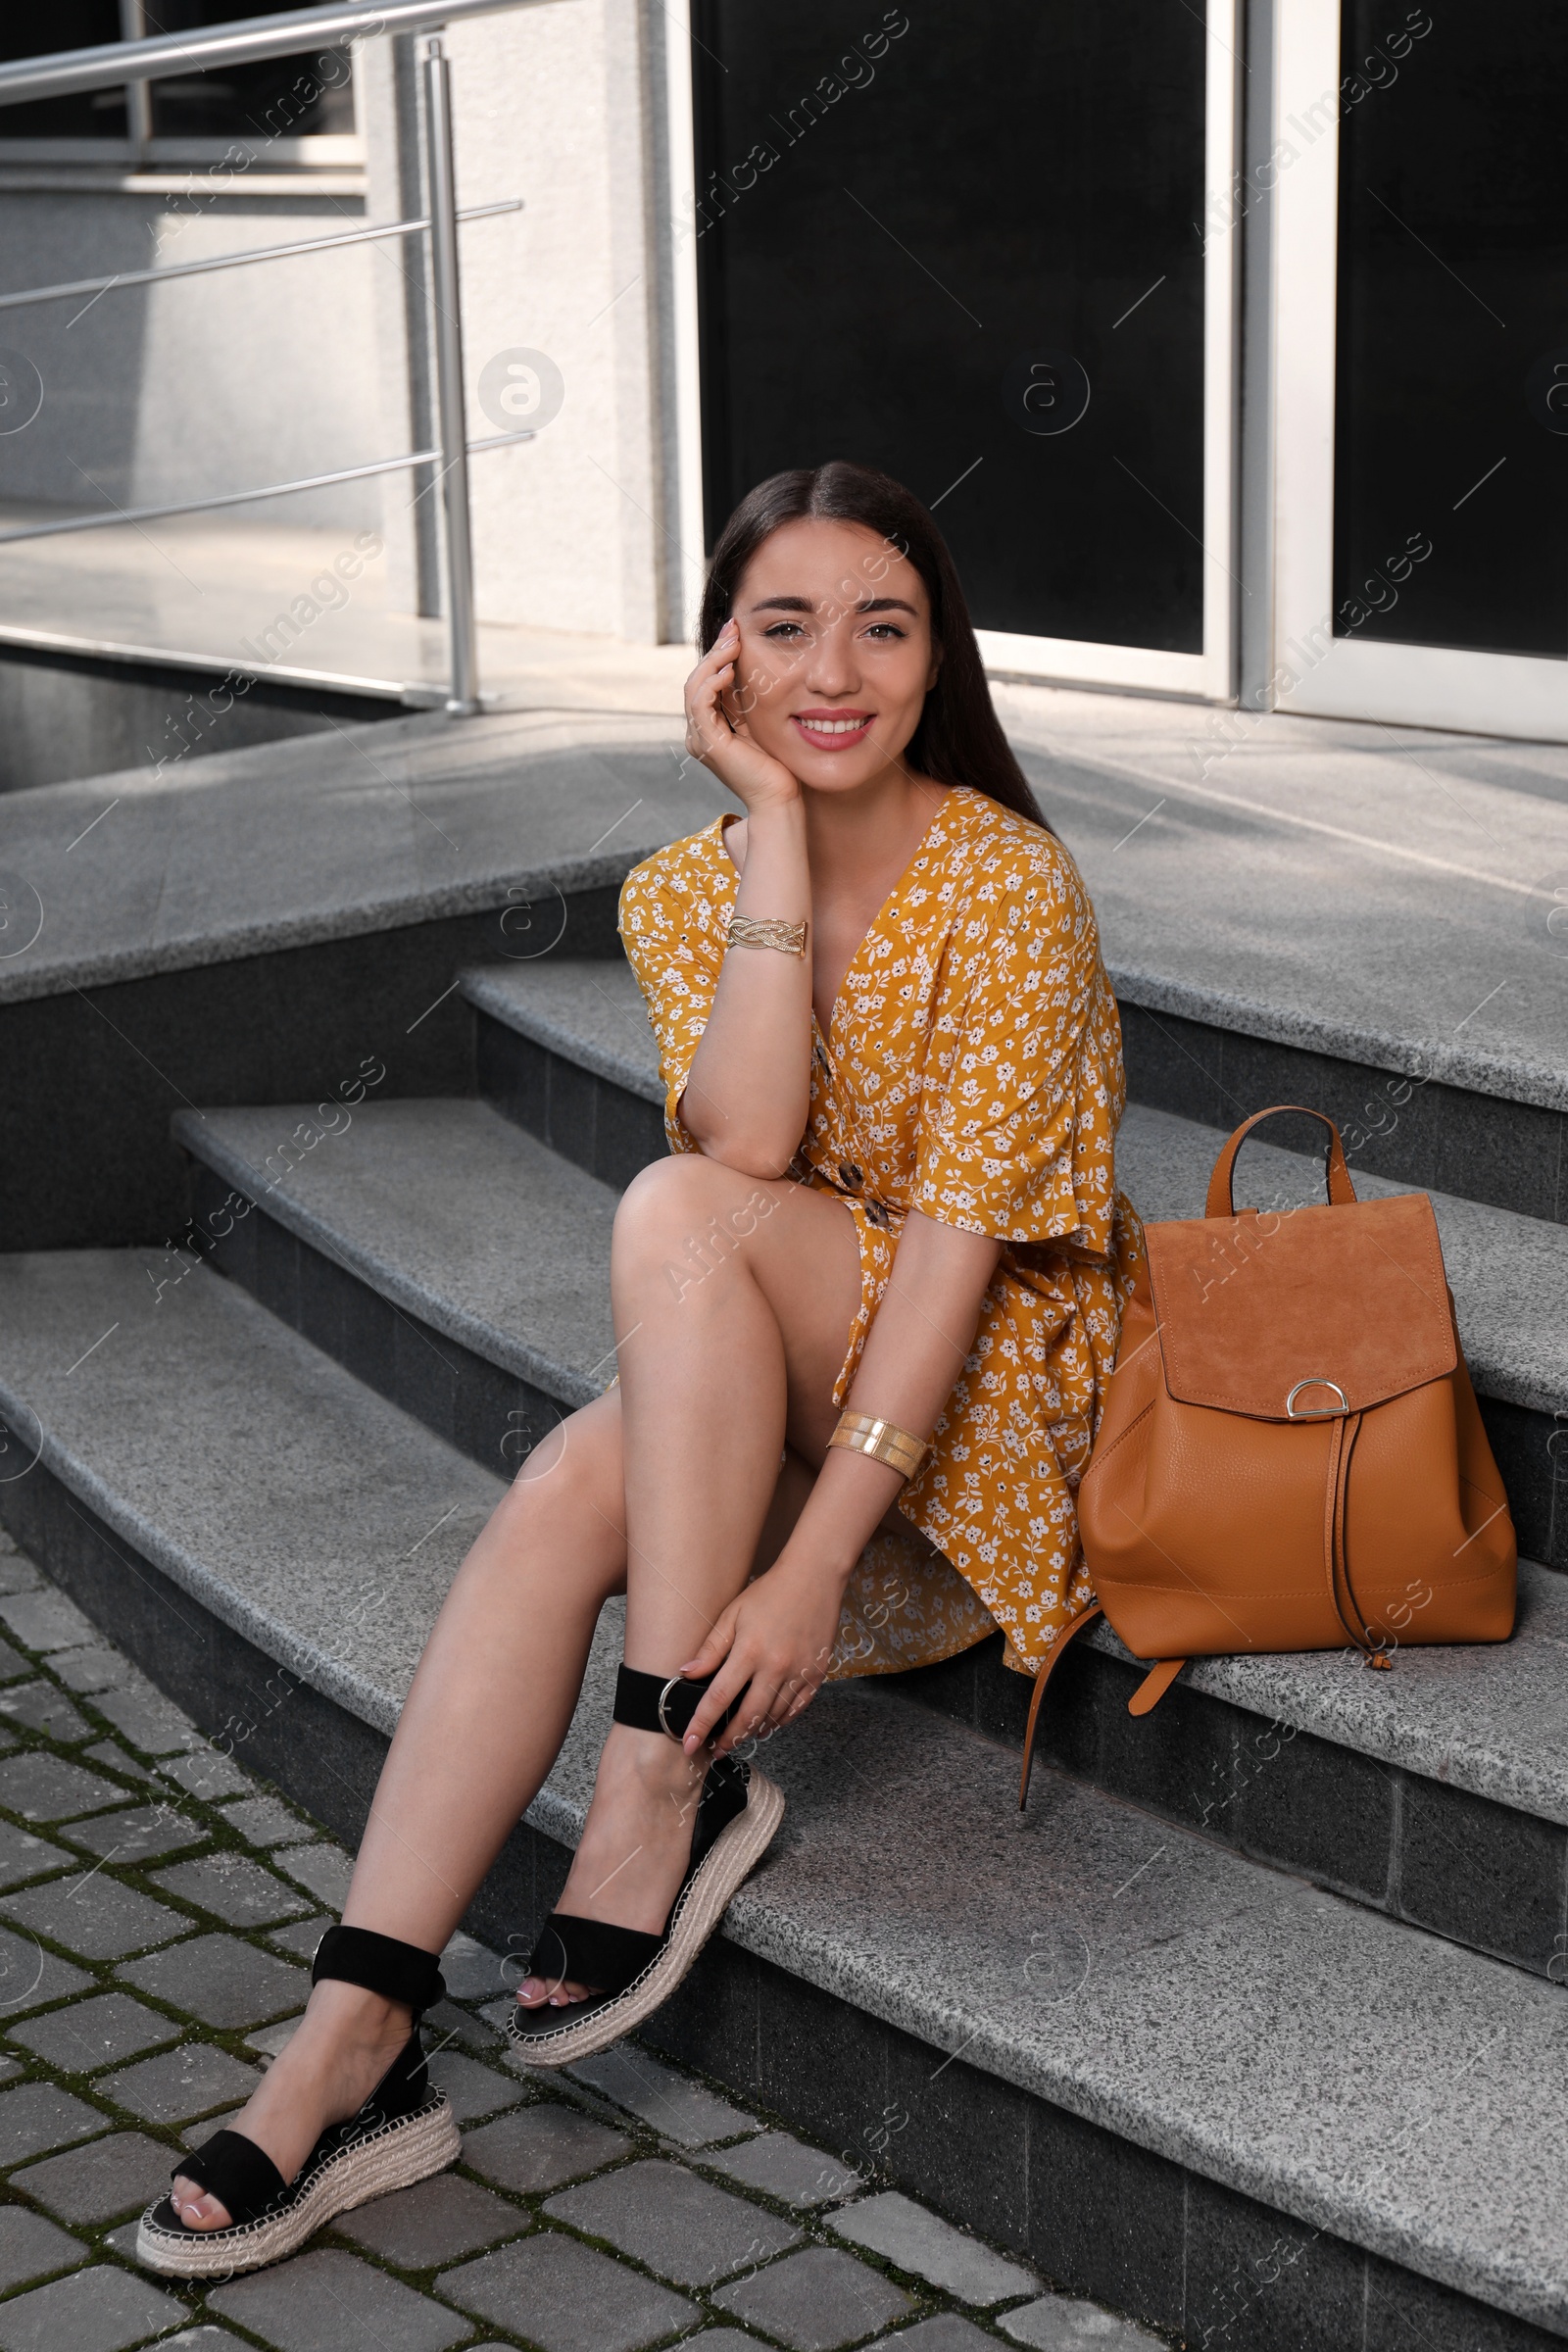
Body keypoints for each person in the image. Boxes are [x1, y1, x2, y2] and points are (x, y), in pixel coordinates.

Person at [136, 459, 1142, 2278]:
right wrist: (768, 821)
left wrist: (816, 1567)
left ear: (939, 663)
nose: (835, 669)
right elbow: (754, 1144)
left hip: (993, 1382)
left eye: (884, 626)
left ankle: (659, 1774)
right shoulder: (687, 890)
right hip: (774, 1334)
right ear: (722, 667)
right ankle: (350, 2046)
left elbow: (944, 1267)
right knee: (559, 1481)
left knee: (678, 1216)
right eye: (785, 627)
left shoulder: (1011, 889)